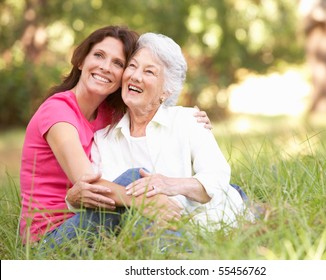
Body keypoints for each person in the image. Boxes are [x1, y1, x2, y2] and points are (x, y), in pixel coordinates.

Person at [19, 26, 211, 246]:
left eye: (118, 63)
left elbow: (152, 108)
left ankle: (234, 207)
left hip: (89, 221)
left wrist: (190, 119)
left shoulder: (108, 114)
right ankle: (188, 251)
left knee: (212, 184)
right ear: (81, 61)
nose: (105, 67)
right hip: (49, 238)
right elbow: (89, 185)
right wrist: (146, 202)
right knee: (136, 180)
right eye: (99, 55)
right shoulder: (58, 111)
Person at [90, 32, 253, 233]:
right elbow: (101, 198)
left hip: (204, 223)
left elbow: (217, 179)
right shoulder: (103, 139)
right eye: (132, 66)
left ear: (166, 91)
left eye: (149, 72)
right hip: (141, 230)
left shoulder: (188, 120)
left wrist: (170, 185)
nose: (136, 76)